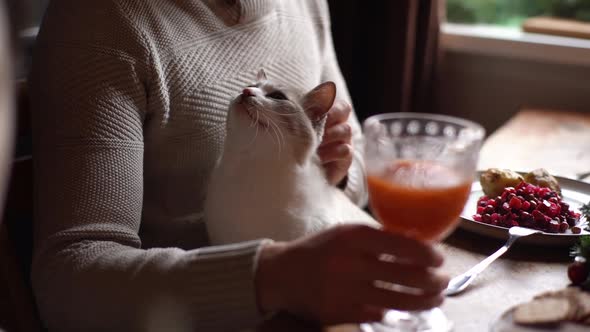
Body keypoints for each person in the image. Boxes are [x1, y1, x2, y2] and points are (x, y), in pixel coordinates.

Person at [30, 1, 449, 331]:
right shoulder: (100, 21)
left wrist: (334, 172)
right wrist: (270, 278)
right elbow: (68, 279)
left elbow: (351, 154)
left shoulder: (307, 4)